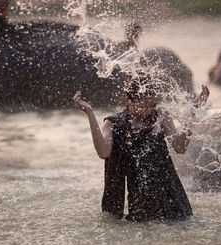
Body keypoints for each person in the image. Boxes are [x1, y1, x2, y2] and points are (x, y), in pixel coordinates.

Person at [72, 75, 210, 222]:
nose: (149, 110)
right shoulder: (113, 123)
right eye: (144, 105)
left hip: (170, 193)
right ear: (128, 100)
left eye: (152, 105)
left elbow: (180, 147)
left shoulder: (161, 115)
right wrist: (90, 113)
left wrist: (193, 112)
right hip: (139, 201)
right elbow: (103, 152)